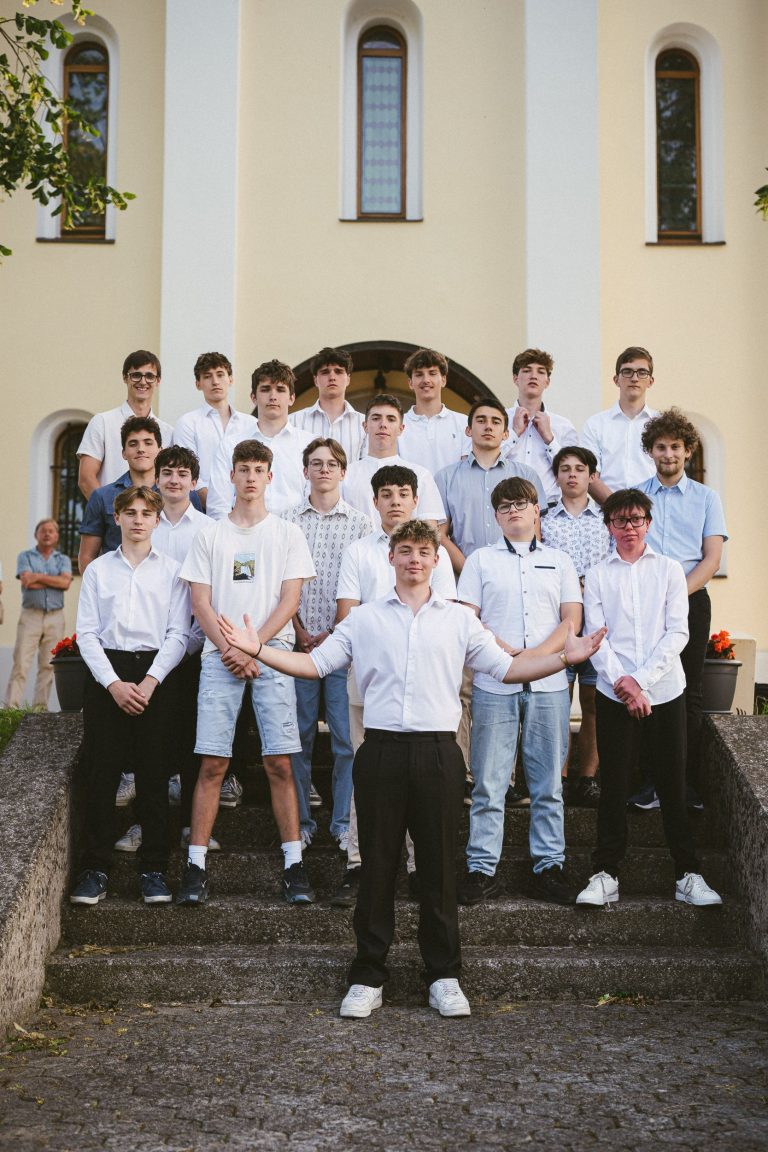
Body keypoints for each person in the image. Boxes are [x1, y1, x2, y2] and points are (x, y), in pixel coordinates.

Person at [218, 520, 605, 1019]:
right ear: (391, 558)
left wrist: (564, 660)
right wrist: (258, 649)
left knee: (439, 869)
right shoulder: (364, 619)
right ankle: (368, 975)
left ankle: (443, 975)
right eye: (405, 550)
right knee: (377, 866)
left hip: (439, 754)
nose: (414, 559)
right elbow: (315, 666)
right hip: (380, 751)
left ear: (436, 560)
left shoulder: (460, 620)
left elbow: (508, 669)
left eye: (423, 551)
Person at [177, 439, 317, 906]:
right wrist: (231, 649)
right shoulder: (211, 535)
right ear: (232, 476)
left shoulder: (287, 533)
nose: (251, 477)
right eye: (244, 469)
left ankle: (294, 864)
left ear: (270, 477)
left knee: (280, 761)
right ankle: (196, 866)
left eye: (259, 469)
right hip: (221, 656)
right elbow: (200, 602)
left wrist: (254, 646)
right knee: (213, 762)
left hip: (272, 652)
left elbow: (290, 601)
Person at [576, 489, 721, 908]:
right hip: (614, 692)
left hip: (666, 691)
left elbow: (678, 633)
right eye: (620, 521)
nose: (629, 528)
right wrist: (624, 684)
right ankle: (606, 874)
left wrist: (639, 681)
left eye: (636, 519)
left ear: (648, 523)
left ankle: (687, 874)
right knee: (614, 783)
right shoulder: (598, 575)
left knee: (673, 784)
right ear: (609, 526)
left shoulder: (670, 570)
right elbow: (596, 637)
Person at [332, 465, 457, 907]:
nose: (395, 501)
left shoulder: (434, 553)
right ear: (375, 501)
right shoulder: (359, 551)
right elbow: (347, 613)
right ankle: (359, 864)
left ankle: (420, 868)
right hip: (371, 682)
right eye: (386, 494)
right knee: (364, 771)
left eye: (404, 493)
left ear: (415, 499)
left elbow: (446, 615)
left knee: (424, 787)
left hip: (425, 689)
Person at [457, 477, 582, 906]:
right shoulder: (480, 561)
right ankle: (481, 868)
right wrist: (504, 654)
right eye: (505, 506)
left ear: (535, 510)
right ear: (496, 516)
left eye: (521, 504)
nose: (513, 511)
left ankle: (548, 866)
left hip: (549, 684)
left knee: (548, 784)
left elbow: (571, 620)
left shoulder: (559, 561)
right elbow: (468, 619)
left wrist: (533, 657)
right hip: (495, 683)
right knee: (489, 783)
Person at [69, 486, 190, 906]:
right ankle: (95, 868)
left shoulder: (173, 571)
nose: (138, 520)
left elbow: (179, 633)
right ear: (117, 518)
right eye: (130, 513)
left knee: (154, 775)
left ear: (157, 520)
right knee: (102, 774)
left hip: (156, 674)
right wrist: (113, 684)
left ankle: (154, 869)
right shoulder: (99, 571)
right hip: (109, 675)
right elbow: (86, 633)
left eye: (146, 513)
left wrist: (151, 681)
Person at [633, 409, 728, 811]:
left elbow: (712, 559)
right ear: (650, 451)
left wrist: (676, 594)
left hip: (691, 601)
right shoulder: (637, 497)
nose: (668, 453)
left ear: (688, 451)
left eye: (675, 446)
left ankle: (683, 785)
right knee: (644, 686)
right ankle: (646, 784)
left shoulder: (707, 498)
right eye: (661, 447)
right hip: (642, 602)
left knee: (688, 691)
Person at [282, 437, 371, 852]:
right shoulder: (286, 522)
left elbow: (363, 586)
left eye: (331, 464)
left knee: (344, 740)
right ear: (305, 471)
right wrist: (298, 628)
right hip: (295, 645)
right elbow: (279, 583)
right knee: (297, 737)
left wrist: (336, 632)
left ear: (343, 472)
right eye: (316, 463)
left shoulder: (361, 524)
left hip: (344, 648)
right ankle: (300, 822)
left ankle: (341, 822)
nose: (323, 470)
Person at [541, 446, 612, 807]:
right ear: (556, 476)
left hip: (599, 621)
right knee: (557, 701)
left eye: (579, 468)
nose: (572, 474)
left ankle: (587, 778)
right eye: (565, 468)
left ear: (591, 476)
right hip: (559, 623)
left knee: (593, 702)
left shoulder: (606, 519)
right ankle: (559, 777)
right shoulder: (544, 519)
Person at [434, 398, 547, 576]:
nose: (488, 426)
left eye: (496, 422)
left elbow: (534, 532)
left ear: (506, 434)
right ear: (468, 430)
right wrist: (469, 571)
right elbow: (439, 534)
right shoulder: (445, 478)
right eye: (481, 420)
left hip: (517, 575)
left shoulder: (526, 475)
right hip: (463, 577)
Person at [206, 359, 313, 519]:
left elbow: (315, 502)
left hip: (295, 531)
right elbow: (218, 508)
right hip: (242, 532)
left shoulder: (309, 445)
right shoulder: (230, 445)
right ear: (253, 397)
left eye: (280, 390)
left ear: (291, 398)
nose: (273, 396)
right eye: (265, 389)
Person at [77, 350, 173, 499]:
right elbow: (86, 479)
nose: (143, 381)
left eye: (149, 376)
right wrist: (112, 511)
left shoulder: (168, 432)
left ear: (158, 381)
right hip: (111, 511)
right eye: (136, 375)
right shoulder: (102, 422)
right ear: (125, 378)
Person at [342, 395, 445, 528]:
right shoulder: (345, 476)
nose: (383, 425)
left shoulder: (421, 475)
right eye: (376, 418)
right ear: (365, 426)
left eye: (391, 419)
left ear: (401, 428)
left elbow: (429, 530)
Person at [172, 352, 257, 510]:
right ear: (198, 384)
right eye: (207, 376)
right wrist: (218, 508)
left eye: (220, 374)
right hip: (202, 509)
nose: (215, 381)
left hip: (248, 509)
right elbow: (188, 472)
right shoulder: (187, 423)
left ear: (230, 379)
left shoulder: (251, 424)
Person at [78, 416, 163, 572]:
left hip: (164, 584)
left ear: (160, 450)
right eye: (133, 444)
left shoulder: (180, 497)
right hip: (114, 583)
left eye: (148, 443)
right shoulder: (102, 497)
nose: (141, 449)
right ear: (124, 453)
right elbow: (87, 557)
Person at [4, 519, 72, 710]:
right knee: (20, 663)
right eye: (43, 531)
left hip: (55, 617)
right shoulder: (25, 556)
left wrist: (38, 576)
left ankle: (40, 709)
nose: (47, 534)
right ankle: (10, 709)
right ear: (36, 535)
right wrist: (54, 580)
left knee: (48, 665)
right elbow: (27, 582)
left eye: (51, 531)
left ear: (57, 536)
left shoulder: (63, 559)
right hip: (30, 616)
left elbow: (65, 583)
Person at [580, 347, 658, 505]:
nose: (634, 378)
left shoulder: (660, 423)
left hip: (654, 510)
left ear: (651, 381)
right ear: (616, 380)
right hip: (609, 512)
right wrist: (618, 509)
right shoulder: (595, 424)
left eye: (642, 372)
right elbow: (590, 475)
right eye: (627, 371)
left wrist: (642, 511)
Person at [503, 348, 578, 506]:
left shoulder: (563, 426)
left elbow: (573, 472)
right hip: (507, 507)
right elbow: (486, 462)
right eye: (527, 370)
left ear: (547, 382)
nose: (533, 376)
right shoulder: (499, 420)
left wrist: (550, 439)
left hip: (549, 509)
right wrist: (514, 434)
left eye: (541, 371)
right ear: (515, 379)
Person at [289, 347, 366, 464]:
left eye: (338, 372)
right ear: (315, 380)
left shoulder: (364, 424)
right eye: (325, 372)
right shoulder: (294, 422)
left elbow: (366, 467)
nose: (332, 377)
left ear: (348, 379)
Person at [397, 348, 467, 475]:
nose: (426, 380)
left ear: (444, 380)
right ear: (410, 383)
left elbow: (467, 472)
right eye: (419, 374)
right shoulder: (397, 425)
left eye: (432, 373)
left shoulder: (464, 423)